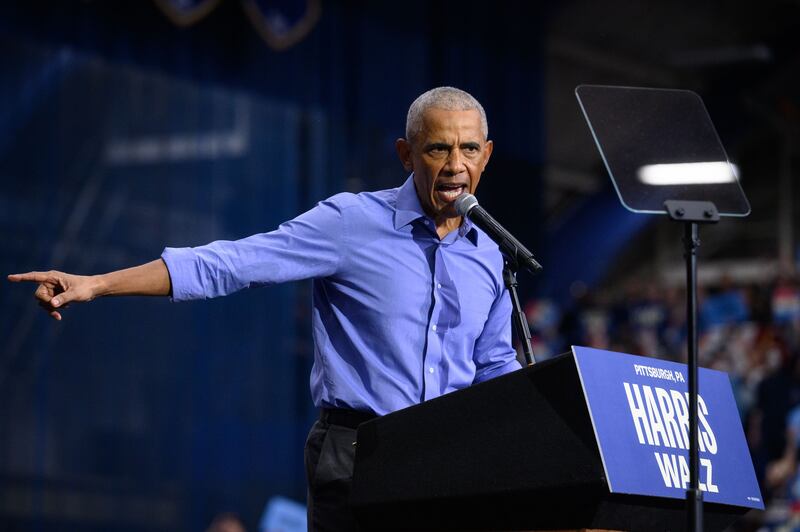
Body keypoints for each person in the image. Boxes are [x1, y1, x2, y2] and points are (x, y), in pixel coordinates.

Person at [8, 86, 521, 531]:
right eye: (439, 148)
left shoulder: (492, 254)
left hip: (447, 462)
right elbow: (231, 263)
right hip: (359, 455)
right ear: (407, 154)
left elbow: (495, 368)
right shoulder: (352, 222)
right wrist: (96, 284)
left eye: (469, 148)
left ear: (488, 154)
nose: (457, 164)